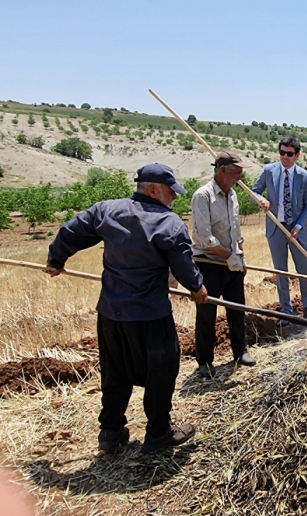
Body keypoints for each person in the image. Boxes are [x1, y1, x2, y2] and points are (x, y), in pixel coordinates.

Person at [45, 163, 208, 454]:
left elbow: (72, 231)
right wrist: (197, 288)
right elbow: (183, 265)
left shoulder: (107, 210)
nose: (174, 198)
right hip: (150, 314)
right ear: (154, 189)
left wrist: (57, 260)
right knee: (162, 371)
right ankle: (158, 433)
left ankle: (110, 432)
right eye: (171, 192)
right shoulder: (169, 223)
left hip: (111, 313)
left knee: (114, 372)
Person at [191, 152, 255, 378]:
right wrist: (228, 256)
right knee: (207, 313)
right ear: (222, 171)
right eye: (236, 171)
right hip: (208, 262)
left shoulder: (233, 195)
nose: (240, 176)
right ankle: (205, 361)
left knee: (237, 309)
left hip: (231, 262)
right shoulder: (203, 196)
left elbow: (235, 232)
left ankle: (240, 352)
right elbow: (204, 238)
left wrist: (240, 256)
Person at [252, 137, 307, 323]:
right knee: (281, 271)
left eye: (289, 154)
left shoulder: (305, 177)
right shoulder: (268, 171)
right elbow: (254, 191)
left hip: (297, 228)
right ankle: (287, 311)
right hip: (276, 227)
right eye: (282, 152)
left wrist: (298, 226)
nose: (285, 157)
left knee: (303, 269)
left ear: (297, 155)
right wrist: (260, 200)